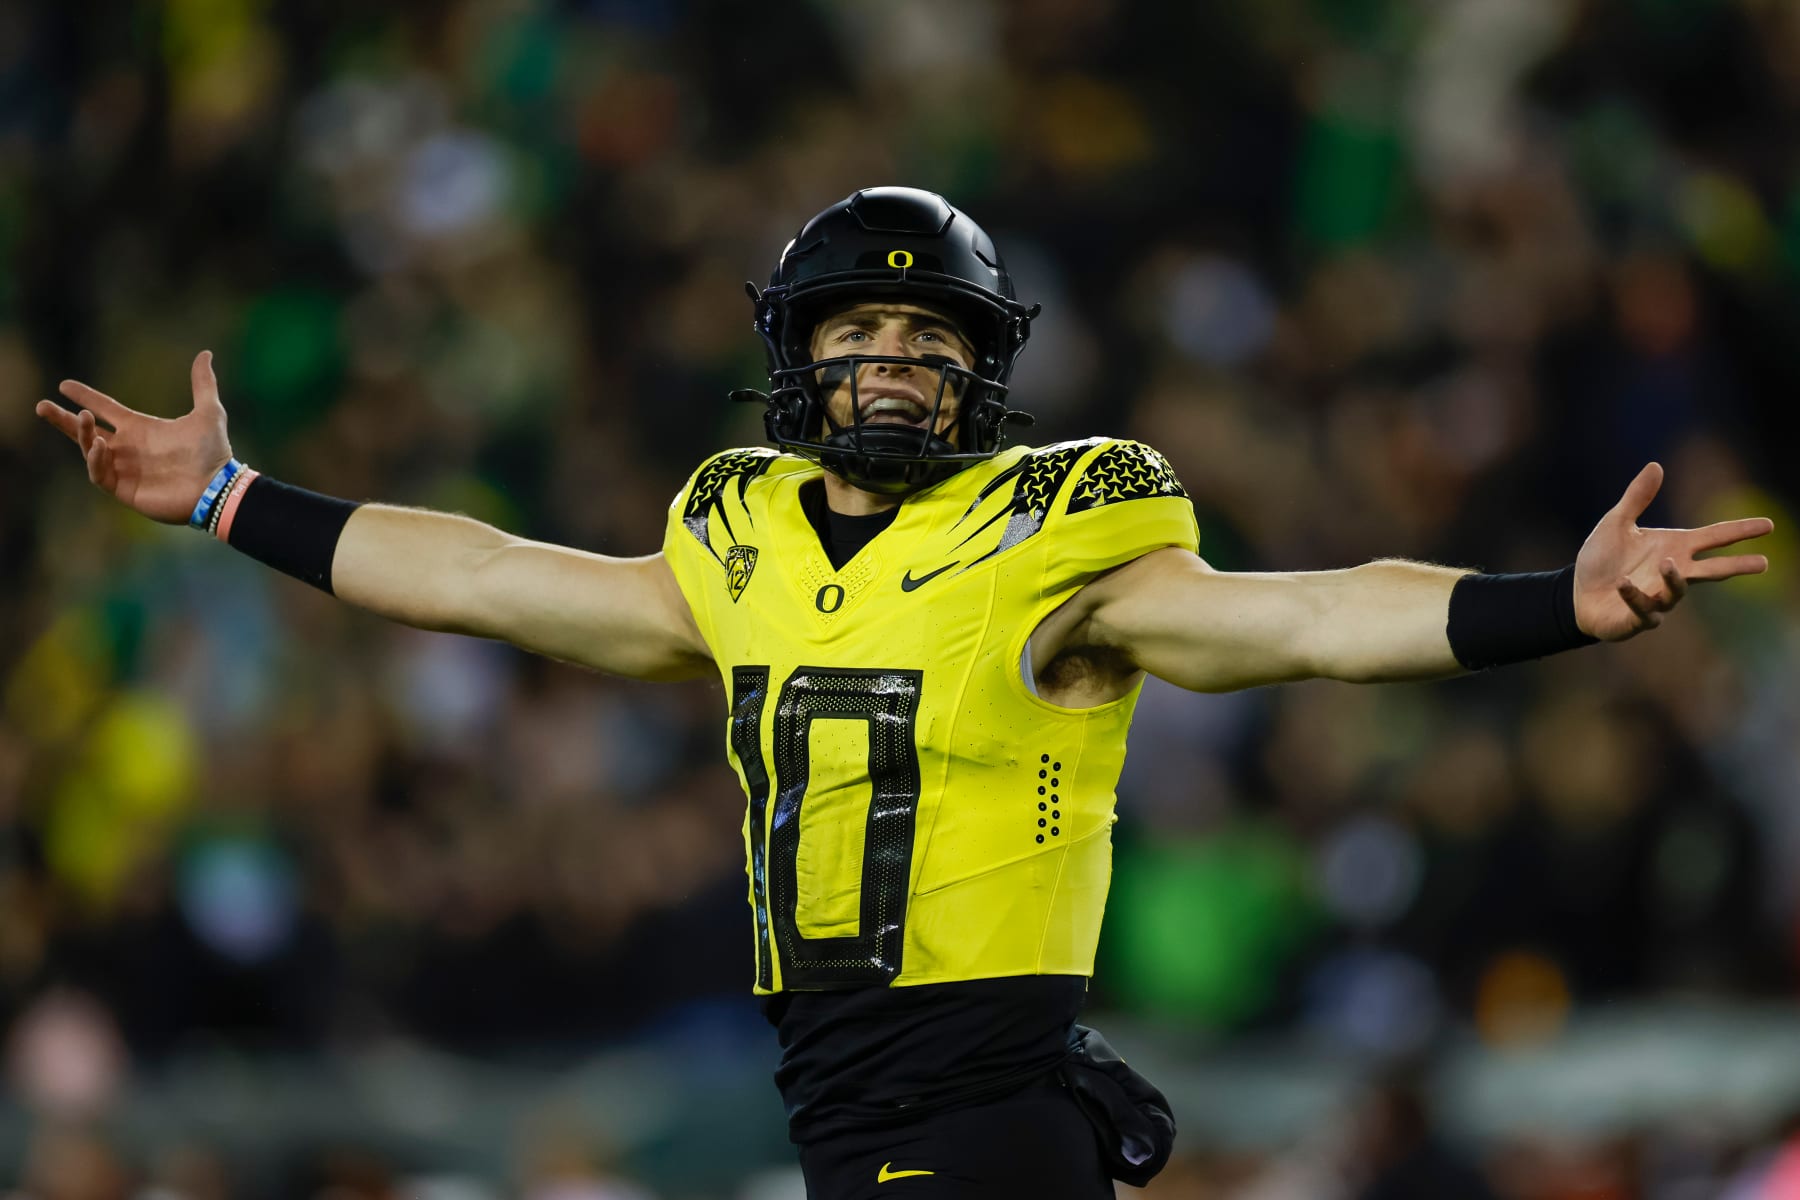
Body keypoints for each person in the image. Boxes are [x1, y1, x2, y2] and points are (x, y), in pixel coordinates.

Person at [34, 186, 1773, 1199]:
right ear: (796, 359)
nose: (893, 365)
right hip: (846, 1097)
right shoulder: (738, 536)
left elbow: (1302, 620)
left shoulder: (1060, 530)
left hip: (978, 1103)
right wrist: (224, 499)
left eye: (932, 340)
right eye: (861, 339)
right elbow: (493, 580)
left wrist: (1558, 602)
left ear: (987, 369)